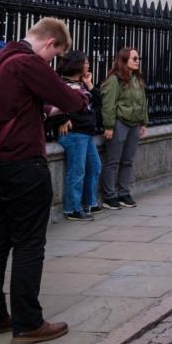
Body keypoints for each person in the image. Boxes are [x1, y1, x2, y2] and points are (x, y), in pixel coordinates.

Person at [0, 18, 88, 344]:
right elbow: (72, 102)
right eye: (56, 56)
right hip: (22, 163)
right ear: (50, 43)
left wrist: (40, 109)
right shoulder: (28, 63)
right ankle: (28, 323)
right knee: (29, 243)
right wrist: (77, 96)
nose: (52, 62)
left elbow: (4, 107)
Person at [55, 51, 104, 221]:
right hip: (74, 134)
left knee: (94, 167)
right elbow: (53, 103)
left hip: (86, 133)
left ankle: (88, 203)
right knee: (77, 171)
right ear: (76, 64)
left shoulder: (82, 84)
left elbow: (98, 102)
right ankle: (72, 208)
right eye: (86, 62)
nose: (88, 65)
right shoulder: (62, 84)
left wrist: (89, 84)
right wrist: (62, 118)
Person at [99, 46, 148, 210]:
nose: (138, 61)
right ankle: (109, 196)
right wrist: (109, 126)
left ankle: (124, 193)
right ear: (124, 60)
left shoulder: (136, 78)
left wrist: (144, 122)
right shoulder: (115, 79)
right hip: (120, 123)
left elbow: (143, 102)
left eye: (138, 58)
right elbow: (108, 104)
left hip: (134, 124)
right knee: (113, 161)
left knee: (128, 161)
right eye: (134, 58)